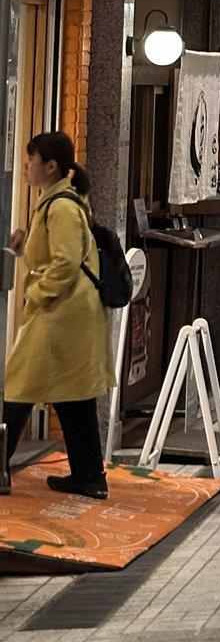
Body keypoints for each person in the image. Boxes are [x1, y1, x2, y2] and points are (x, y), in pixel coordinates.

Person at [3, 132, 112, 498]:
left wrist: (36, 293)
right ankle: (88, 476)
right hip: (70, 314)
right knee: (72, 394)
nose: (26, 168)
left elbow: (65, 262)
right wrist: (26, 247)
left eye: (30, 161)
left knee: (19, 386)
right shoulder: (59, 200)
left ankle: (0, 468)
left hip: (60, 313)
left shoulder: (61, 206)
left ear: (50, 166)